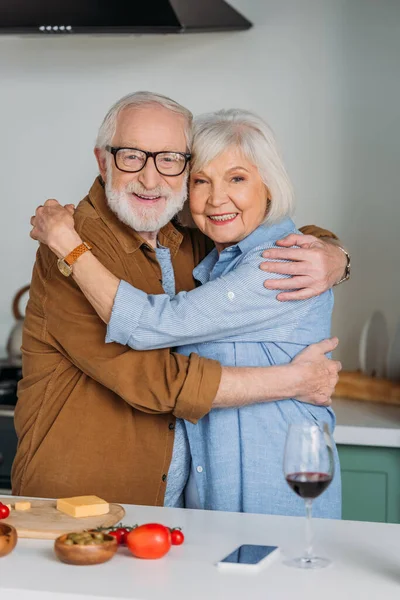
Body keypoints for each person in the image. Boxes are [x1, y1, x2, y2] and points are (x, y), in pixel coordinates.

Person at [15, 92, 346, 506]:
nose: (150, 179)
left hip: (183, 510)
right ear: (103, 161)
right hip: (83, 501)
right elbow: (154, 380)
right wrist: (293, 381)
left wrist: (334, 255)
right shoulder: (69, 250)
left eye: (169, 159)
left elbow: (270, 233)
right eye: (131, 156)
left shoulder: (194, 237)